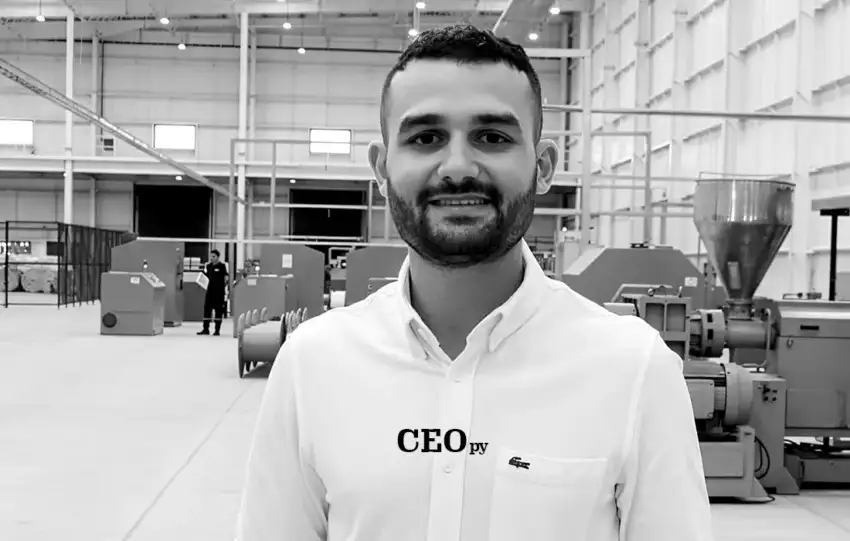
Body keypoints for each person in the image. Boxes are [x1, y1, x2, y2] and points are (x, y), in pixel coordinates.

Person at [236, 24, 713, 541]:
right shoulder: (312, 364)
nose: (458, 168)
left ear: (543, 166)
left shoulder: (634, 369)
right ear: (381, 168)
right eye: (425, 138)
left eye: (492, 137)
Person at [198, 249, 228, 336]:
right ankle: (205, 329)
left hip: (219, 292)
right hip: (209, 291)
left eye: (213, 256)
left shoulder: (222, 266)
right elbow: (205, 276)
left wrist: (224, 287)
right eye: (211, 256)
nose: (211, 258)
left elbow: (226, 278)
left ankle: (217, 330)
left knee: (218, 310)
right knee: (207, 309)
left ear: (218, 257)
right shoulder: (208, 266)